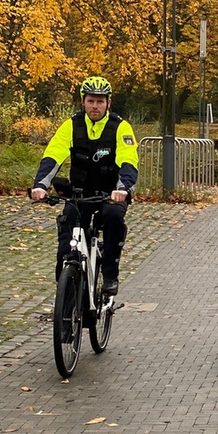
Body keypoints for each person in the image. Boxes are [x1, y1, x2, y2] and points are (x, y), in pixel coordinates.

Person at [31, 76, 139, 296]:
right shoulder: (72, 125)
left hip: (110, 194)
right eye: (91, 101)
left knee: (112, 218)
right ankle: (67, 285)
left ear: (108, 102)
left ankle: (109, 275)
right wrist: (41, 185)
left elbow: (129, 160)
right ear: (83, 101)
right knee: (68, 227)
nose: (95, 106)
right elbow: (53, 155)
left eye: (100, 101)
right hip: (80, 193)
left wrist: (123, 189)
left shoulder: (120, 127)